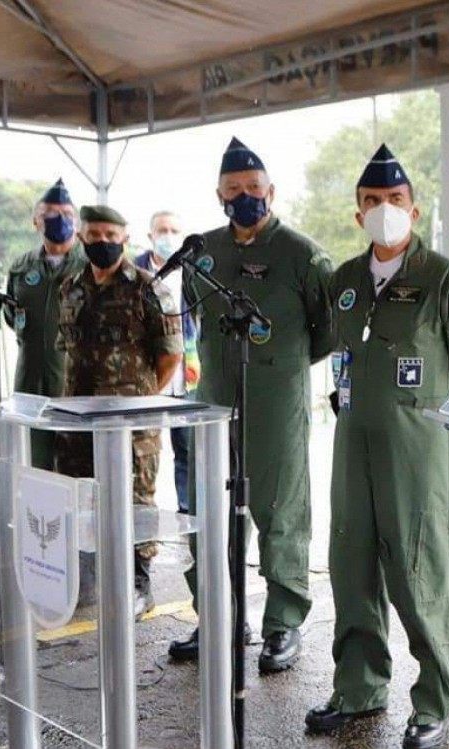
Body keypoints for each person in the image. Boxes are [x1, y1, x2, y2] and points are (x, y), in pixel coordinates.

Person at [303, 144, 449, 749]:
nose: (383, 209)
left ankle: (435, 698)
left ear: (414, 209)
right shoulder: (344, 281)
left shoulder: (444, 279)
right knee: (351, 560)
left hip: (417, 451)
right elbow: (339, 354)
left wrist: (424, 416)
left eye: (394, 200)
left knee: (418, 569)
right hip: (352, 440)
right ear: (358, 215)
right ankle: (358, 686)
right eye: (371, 202)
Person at [168, 137, 334, 674]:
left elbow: (327, 332)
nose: (246, 197)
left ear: (272, 192)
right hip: (213, 403)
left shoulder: (303, 254)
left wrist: (279, 366)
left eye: (254, 189)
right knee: (206, 513)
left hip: (276, 403)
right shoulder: (203, 252)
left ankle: (282, 625)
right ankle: (217, 617)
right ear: (219, 194)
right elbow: (192, 323)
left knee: (280, 512)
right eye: (234, 190)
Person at [55, 205, 183, 619]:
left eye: (112, 235)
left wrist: (138, 399)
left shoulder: (149, 288)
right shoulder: (69, 287)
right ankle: (87, 583)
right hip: (79, 419)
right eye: (94, 235)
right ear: (81, 238)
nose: (103, 242)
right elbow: (68, 353)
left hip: (132, 425)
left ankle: (138, 583)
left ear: (125, 239)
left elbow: (170, 358)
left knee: (137, 502)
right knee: (82, 498)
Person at [5, 179, 87, 469]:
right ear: (36, 222)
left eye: (67, 214)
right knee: (33, 465)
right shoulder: (21, 267)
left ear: (77, 223)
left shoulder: (90, 265)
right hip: (30, 381)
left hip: (75, 383)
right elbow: (12, 316)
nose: (60, 220)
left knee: (74, 466)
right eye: (51, 214)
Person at [134, 210, 200, 512]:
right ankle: (140, 513)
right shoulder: (135, 272)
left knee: (187, 450)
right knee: (143, 450)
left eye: (174, 230)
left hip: (188, 375)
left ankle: (187, 511)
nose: (168, 237)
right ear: (150, 236)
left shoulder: (196, 272)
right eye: (162, 230)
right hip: (148, 375)